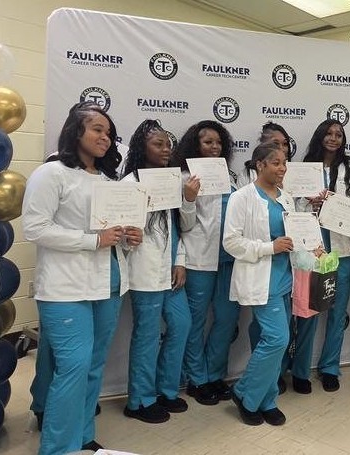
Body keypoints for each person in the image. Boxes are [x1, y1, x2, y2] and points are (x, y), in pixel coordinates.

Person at [22, 101, 135, 454]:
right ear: (76, 131)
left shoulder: (107, 180)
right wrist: (93, 240)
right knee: (73, 366)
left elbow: (111, 233)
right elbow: (35, 228)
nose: (106, 137)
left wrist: (128, 238)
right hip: (65, 288)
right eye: (97, 129)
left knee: (92, 367)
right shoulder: (51, 174)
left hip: (110, 283)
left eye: (109, 133)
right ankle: (57, 447)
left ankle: (83, 436)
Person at [121, 119, 197, 424]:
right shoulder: (128, 184)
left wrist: (179, 260)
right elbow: (121, 236)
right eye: (158, 144)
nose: (166, 149)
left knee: (182, 325)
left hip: (170, 272)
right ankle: (139, 400)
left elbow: (182, 227)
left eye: (169, 144)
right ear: (142, 148)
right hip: (143, 273)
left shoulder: (172, 181)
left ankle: (167, 390)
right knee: (147, 336)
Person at [282, 119, 350, 394]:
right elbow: (291, 205)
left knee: (338, 312)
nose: (333, 138)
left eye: (338, 134)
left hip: (342, 250)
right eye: (328, 133)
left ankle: (330, 367)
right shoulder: (303, 167)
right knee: (307, 312)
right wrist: (311, 203)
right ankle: (301, 371)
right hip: (312, 249)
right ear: (320, 136)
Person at [223, 141, 295, 426]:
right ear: (260, 165)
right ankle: (244, 392)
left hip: (285, 280)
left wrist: (309, 247)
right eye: (276, 162)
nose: (282, 168)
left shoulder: (286, 198)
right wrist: (269, 247)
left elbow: (293, 236)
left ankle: (267, 399)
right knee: (277, 339)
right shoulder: (242, 197)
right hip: (260, 280)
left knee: (276, 341)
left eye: (284, 162)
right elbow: (231, 242)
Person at [173, 120, 238, 405]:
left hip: (230, 260)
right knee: (196, 323)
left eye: (218, 142)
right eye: (207, 142)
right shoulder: (185, 177)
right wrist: (189, 198)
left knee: (226, 320)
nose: (214, 147)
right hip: (199, 261)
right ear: (195, 145)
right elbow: (184, 226)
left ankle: (215, 374)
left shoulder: (231, 177)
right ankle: (197, 379)